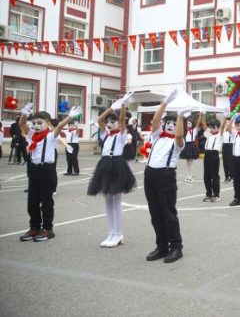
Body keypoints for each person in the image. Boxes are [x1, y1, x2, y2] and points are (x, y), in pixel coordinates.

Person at [18, 102, 82, 242]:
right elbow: (22, 124)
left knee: (46, 202)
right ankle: (34, 227)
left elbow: (59, 126)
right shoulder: (32, 135)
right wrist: (24, 113)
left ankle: (47, 229)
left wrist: (69, 117)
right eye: (34, 123)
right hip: (34, 170)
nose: (35, 126)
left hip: (46, 170)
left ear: (47, 123)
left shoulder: (51, 135)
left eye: (39, 123)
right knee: (32, 202)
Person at [87, 93, 137, 248]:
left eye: (112, 122)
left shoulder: (122, 135)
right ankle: (111, 232)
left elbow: (121, 120)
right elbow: (99, 120)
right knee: (108, 201)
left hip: (116, 165)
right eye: (108, 122)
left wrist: (122, 105)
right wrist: (110, 108)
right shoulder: (106, 134)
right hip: (105, 165)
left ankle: (118, 233)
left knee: (116, 201)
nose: (109, 124)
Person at [143, 89, 186, 263]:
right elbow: (155, 120)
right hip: (150, 174)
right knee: (155, 214)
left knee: (168, 214)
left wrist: (180, 115)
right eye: (168, 122)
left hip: (165, 176)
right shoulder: (157, 137)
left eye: (174, 123)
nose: (170, 125)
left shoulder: (178, 143)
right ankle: (161, 246)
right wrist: (165, 102)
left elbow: (179, 135)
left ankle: (176, 247)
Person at [199, 114, 226, 202]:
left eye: (214, 127)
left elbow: (222, 126)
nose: (212, 129)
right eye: (211, 127)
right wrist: (202, 114)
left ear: (218, 128)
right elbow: (203, 124)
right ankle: (209, 193)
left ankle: (216, 195)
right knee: (206, 175)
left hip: (214, 155)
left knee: (214, 175)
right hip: (207, 154)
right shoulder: (208, 134)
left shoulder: (219, 134)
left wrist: (225, 117)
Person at [179, 113, 201, 182]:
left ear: (192, 124)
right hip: (186, 146)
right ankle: (190, 175)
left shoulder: (194, 130)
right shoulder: (185, 131)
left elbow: (198, 123)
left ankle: (190, 175)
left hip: (191, 146)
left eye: (189, 123)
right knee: (187, 161)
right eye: (187, 123)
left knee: (190, 162)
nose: (188, 125)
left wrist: (201, 115)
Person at [222, 117, 235, 183]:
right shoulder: (223, 130)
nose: (227, 124)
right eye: (226, 122)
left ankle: (232, 176)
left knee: (231, 162)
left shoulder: (232, 129)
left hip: (231, 145)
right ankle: (226, 176)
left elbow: (229, 128)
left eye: (228, 122)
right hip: (225, 145)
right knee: (225, 162)